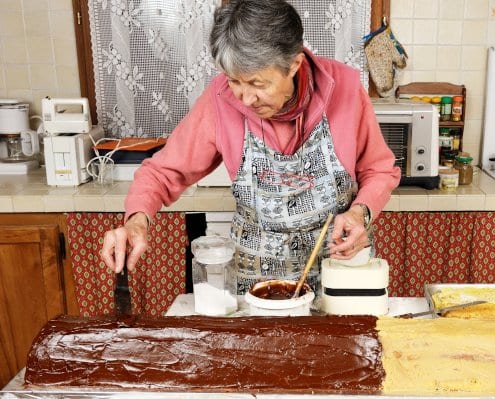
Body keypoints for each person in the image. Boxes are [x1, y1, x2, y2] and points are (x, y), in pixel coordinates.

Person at [101, 0, 400, 294]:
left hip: (340, 269)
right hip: (255, 282)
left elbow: (379, 170)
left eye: (258, 84)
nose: (244, 99)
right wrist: (137, 222)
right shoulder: (220, 99)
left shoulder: (345, 88)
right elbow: (162, 172)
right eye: (235, 81)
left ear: (294, 64)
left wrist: (360, 213)